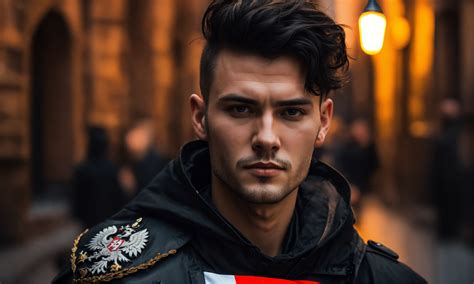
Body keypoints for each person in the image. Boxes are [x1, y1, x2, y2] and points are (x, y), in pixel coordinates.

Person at [54, 1, 426, 283]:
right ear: (200, 117)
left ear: (323, 121)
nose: (266, 138)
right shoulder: (114, 275)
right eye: (241, 109)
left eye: (291, 112)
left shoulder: (381, 277)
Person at [71, 126, 125, 229]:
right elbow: (119, 198)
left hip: (91, 220)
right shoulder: (112, 169)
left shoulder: (83, 169)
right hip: (106, 220)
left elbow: (77, 201)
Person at [337, 119, 379, 207]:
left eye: (362, 129)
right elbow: (342, 166)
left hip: (365, 187)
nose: (360, 132)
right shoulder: (347, 146)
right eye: (358, 129)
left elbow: (375, 165)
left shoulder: (370, 147)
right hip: (351, 185)